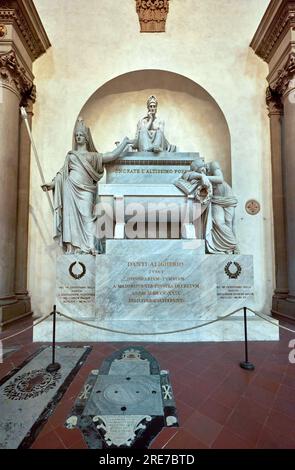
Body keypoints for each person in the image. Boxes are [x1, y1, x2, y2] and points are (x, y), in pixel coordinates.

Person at [42, 118, 132, 254]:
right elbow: (62, 174)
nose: (78, 137)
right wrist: (52, 184)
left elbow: (111, 155)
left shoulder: (93, 156)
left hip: (86, 190)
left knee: (87, 217)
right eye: (76, 135)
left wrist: (124, 143)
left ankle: (90, 246)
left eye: (81, 135)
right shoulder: (71, 156)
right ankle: (73, 248)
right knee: (70, 219)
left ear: (86, 138)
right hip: (70, 188)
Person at [185, 159, 238, 254]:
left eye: (202, 169)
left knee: (229, 222)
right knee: (218, 222)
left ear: (204, 165)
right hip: (214, 200)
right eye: (199, 171)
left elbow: (220, 179)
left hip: (227, 197)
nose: (202, 171)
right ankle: (230, 244)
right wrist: (200, 176)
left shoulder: (213, 164)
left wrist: (204, 177)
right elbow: (186, 176)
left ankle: (233, 249)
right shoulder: (199, 175)